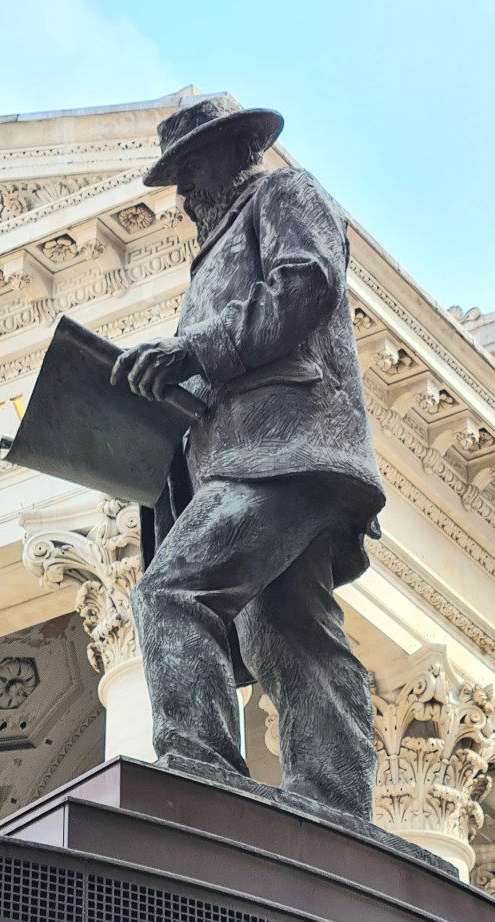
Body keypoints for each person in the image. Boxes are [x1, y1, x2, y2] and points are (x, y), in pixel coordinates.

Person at [110, 95, 386, 820]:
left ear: (235, 151)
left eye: (188, 167)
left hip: (285, 449)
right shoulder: (215, 248)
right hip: (250, 453)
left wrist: (194, 351)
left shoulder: (284, 194)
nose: (181, 190)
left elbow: (306, 283)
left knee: (171, 591)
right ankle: (336, 806)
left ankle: (198, 773)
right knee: (288, 632)